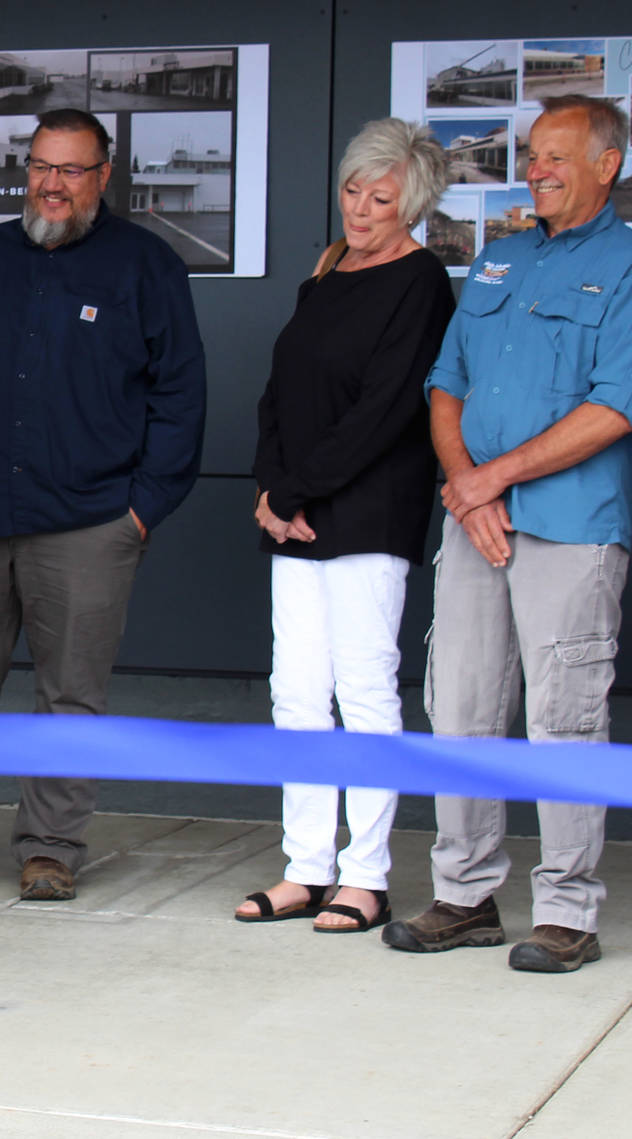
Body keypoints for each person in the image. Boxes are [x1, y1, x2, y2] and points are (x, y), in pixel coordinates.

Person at [0, 108, 205, 901]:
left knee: (69, 696)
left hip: (91, 524)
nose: (54, 185)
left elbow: (180, 397)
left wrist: (140, 510)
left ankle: (50, 845)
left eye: (72, 170)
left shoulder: (145, 265)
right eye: (42, 167)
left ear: (103, 177)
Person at [385, 95, 632, 974]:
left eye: (559, 155)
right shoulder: (499, 260)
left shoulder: (629, 261)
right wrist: (466, 483)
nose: (538, 168)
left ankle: (567, 909)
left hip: (569, 527)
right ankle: (465, 894)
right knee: (460, 708)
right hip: (476, 523)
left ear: (608, 164)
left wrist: (494, 478)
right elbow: (445, 383)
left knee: (563, 719)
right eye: (533, 155)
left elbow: (615, 406)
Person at [235, 119, 454, 934]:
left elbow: (387, 410)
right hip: (295, 511)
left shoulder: (421, 281)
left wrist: (295, 490)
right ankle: (306, 867)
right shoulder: (327, 269)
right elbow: (278, 390)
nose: (360, 208)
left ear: (414, 204)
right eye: (353, 190)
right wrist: (270, 486)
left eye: (381, 197)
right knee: (296, 694)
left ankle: (365, 876)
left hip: (368, 512)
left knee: (364, 693)